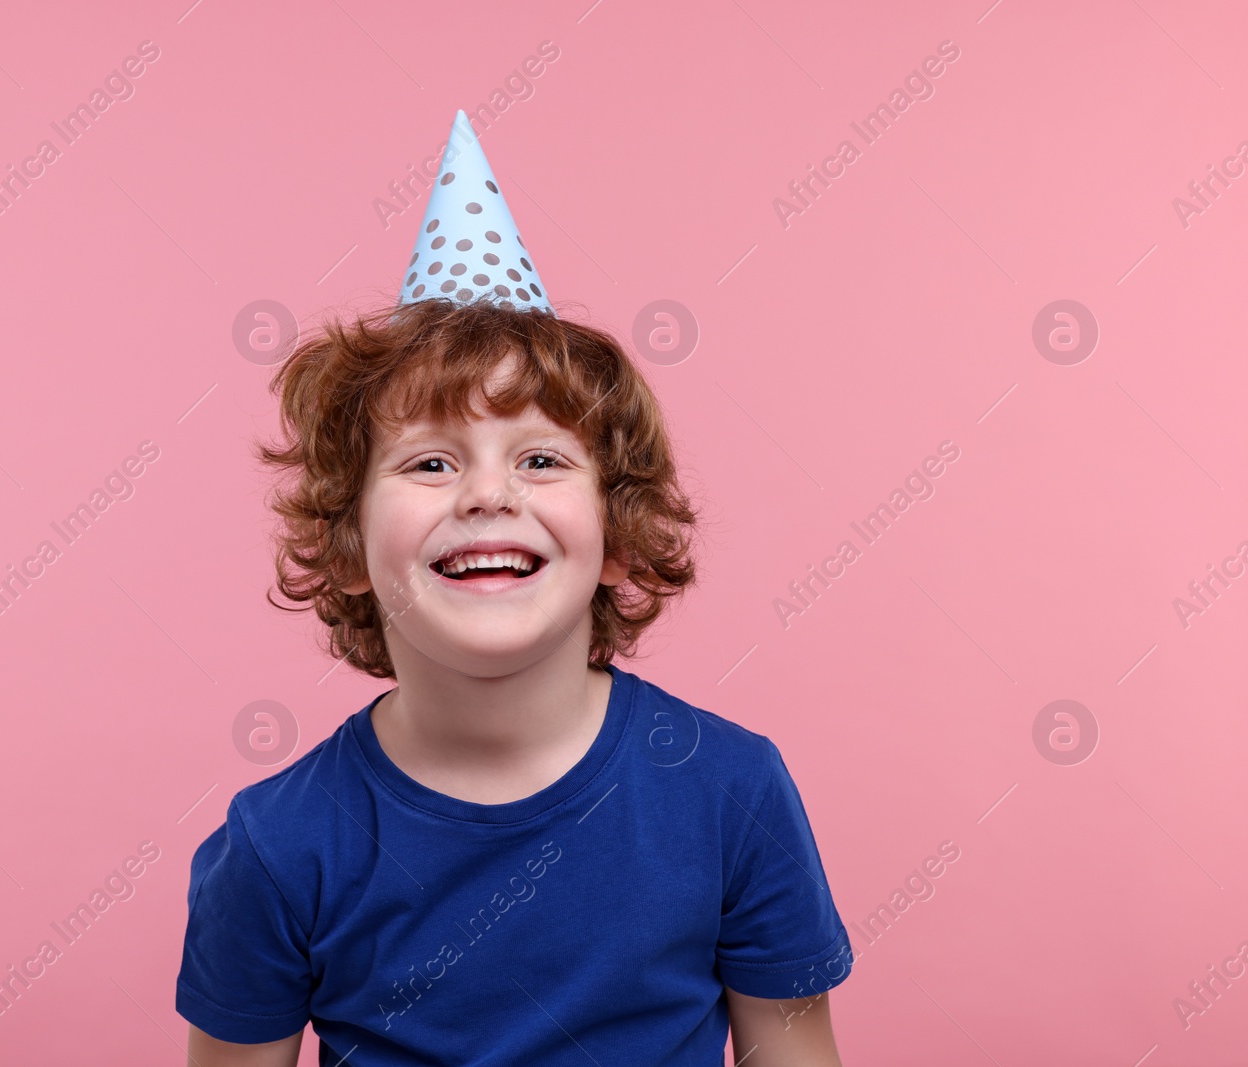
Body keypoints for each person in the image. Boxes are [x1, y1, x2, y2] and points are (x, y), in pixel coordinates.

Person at [176, 110, 851, 1066]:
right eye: (429, 464)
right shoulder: (280, 845)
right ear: (350, 549)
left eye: (539, 457)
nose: (489, 492)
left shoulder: (731, 794)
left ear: (618, 539)